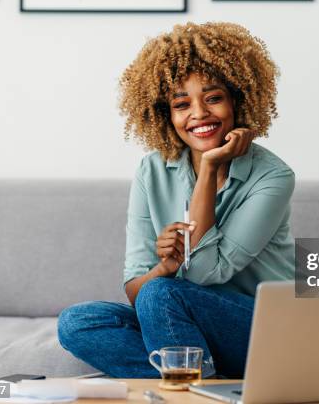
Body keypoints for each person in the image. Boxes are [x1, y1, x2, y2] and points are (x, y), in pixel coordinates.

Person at [57, 21, 295, 379]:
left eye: (213, 98)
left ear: (237, 100)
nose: (198, 114)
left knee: (163, 295)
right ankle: (201, 379)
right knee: (79, 321)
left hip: (265, 330)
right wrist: (164, 268)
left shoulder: (273, 176)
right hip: (182, 325)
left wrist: (212, 164)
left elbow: (205, 270)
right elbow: (137, 288)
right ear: (166, 115)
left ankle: (185, 381)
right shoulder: (151, 171)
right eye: (182, 104)